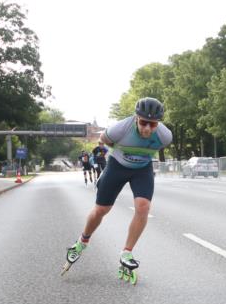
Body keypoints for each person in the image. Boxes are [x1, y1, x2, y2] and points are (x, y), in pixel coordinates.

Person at [65, 98, 172, 282]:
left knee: (143, 207)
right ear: (136, 118)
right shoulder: (120, 129)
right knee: (101, 210)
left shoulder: (165, 136)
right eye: (143, 122)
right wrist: (122, 153)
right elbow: (103, 139)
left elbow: (156, 146)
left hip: (142, 169)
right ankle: (82, 242)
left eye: (152, 124)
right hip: (117, 166)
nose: (147, 128)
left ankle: (127, 253)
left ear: (158, 123)